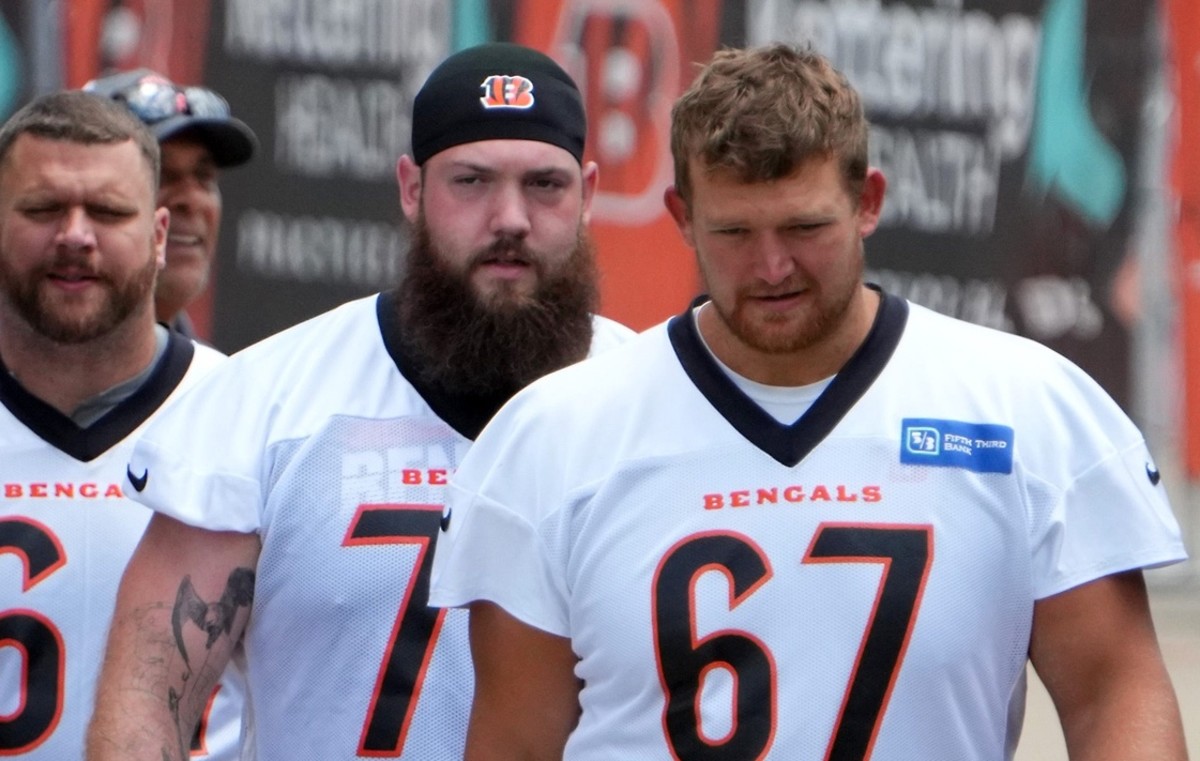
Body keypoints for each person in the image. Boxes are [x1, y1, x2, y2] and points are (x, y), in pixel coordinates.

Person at [428, 43, 1190, 760]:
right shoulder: (554, 435)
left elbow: (1110, 692)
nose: (771, 265)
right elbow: (517, 740)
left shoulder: (1027, 410)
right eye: (734, 231)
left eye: (805, 226)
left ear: (869, 202)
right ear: (682, 216)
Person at [85, 42, 633, 761]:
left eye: (545, 185)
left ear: (588, 193)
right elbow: (144, 698)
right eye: (470, 181)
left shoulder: (643, 402)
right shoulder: (269, 401)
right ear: (411, 188)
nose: (511, 218)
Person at [0, 92, 240, 758]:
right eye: (43, 208)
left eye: (107, 211)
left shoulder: (250, 414)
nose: (75, 235)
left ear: (158, 235)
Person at [83, 68, 257, 338]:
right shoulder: (18, 364)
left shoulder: (219, 374)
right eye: (160, 174)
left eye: (204, 177)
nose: (192, 200)